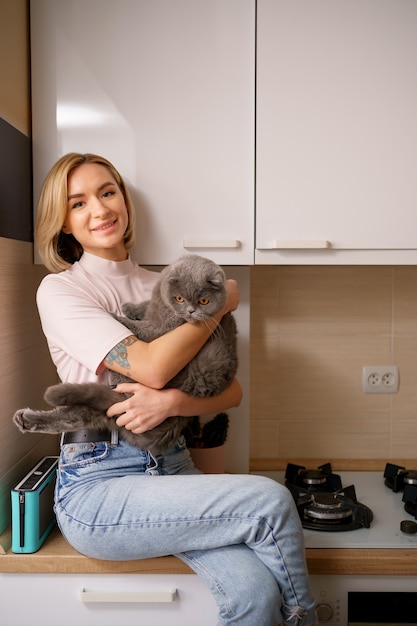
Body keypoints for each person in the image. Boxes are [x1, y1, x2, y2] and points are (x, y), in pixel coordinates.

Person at [34, 152, 316, 626]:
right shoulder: (62, 291)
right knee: (269, 502)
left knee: (254, 593)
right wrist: (219, 302)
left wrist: (174, 403)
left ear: (123, 198)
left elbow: (232, 391)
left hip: (175, 468)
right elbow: (151, 367)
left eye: (107, 192)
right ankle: (306, 618)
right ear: (62, 222)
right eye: (77, 203)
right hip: (99, 488)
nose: (99, 210)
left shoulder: (165, 285)